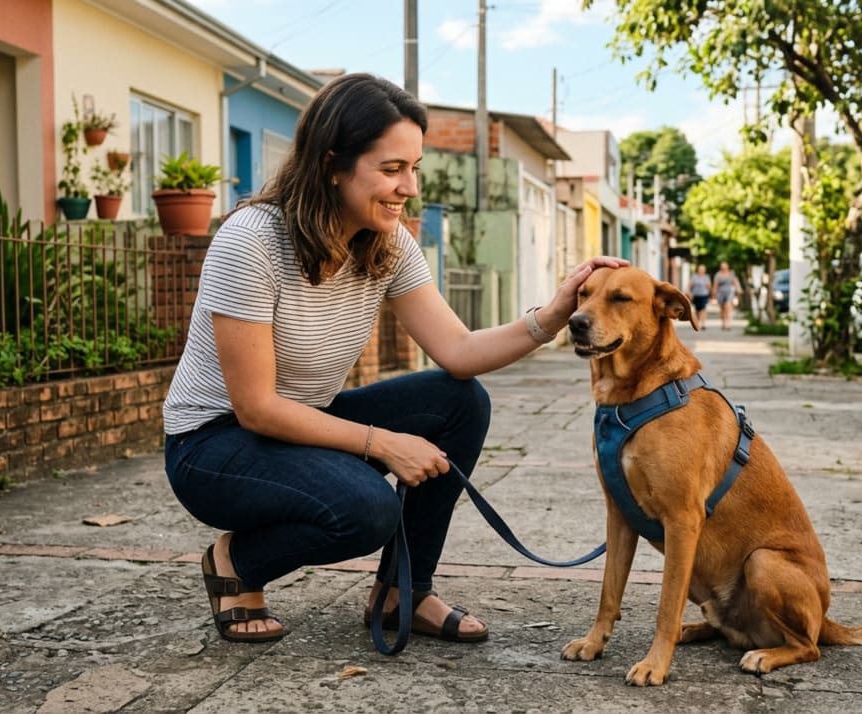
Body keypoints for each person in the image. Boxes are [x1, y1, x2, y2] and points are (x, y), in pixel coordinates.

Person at [162, 73, 626, 645]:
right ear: (333, 164)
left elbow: (459, 352)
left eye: (414, 168)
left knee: (458, 401)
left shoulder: (387, 243)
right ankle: (238, 562)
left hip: (298, 426)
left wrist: (553, 315)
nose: (408, 186)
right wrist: (381, 444)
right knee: (367, 508)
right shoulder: (251, 242)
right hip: (213, 444)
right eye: (391, 169)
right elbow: (256, 407)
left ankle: (403, 591)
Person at [711, 260, 742, 330]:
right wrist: (713, 295)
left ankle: (728, 324)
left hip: (730, 292)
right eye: (722, 267)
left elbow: (736, 282)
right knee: (722, 309)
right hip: (720, 293)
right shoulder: (718, 275)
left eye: (725, 267)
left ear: (728, 267)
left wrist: (738, 290)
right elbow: (715, 285)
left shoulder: (731, 274)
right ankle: (723, 323)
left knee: (728, 307)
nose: (724, 268)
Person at [687, 263, 711, 328]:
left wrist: (709, 294)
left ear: (704, 270)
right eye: (700, 269)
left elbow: (709, 286)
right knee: (697, 309)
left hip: (704, 295)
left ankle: (703, 324)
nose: (701, 270)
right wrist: (689, 293)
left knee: (703, 309)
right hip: (696, 295)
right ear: (698, 270)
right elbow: (689, 285)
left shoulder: (706, 277)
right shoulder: (694, 276)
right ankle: (698, 321)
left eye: (702, 269)